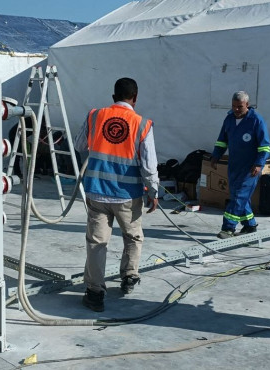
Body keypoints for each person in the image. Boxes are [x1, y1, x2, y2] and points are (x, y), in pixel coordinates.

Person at [74, 77, 159, 312]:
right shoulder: (142, 124)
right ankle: (129, 276)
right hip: (127, 195)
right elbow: (149, 164)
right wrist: (154, 192)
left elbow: (80, 145)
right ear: (135, 98)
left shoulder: (95, 116)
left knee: (97, 242)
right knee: (133, 237)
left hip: (97, 192)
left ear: (113, 97)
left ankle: (94, 293)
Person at [210, 91, 270, 239]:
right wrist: (216, 155)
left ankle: (228, 228)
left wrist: (258, 164)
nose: (236, 110)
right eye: (234, 106)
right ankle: (250, 225)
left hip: (250, 168)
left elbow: (265, 147)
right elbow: (222, 140)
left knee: (238, 197)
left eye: (240, 107)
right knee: (240, 196)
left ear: (247, 105)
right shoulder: (229, 119)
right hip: (234, 166)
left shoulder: (256, 121)